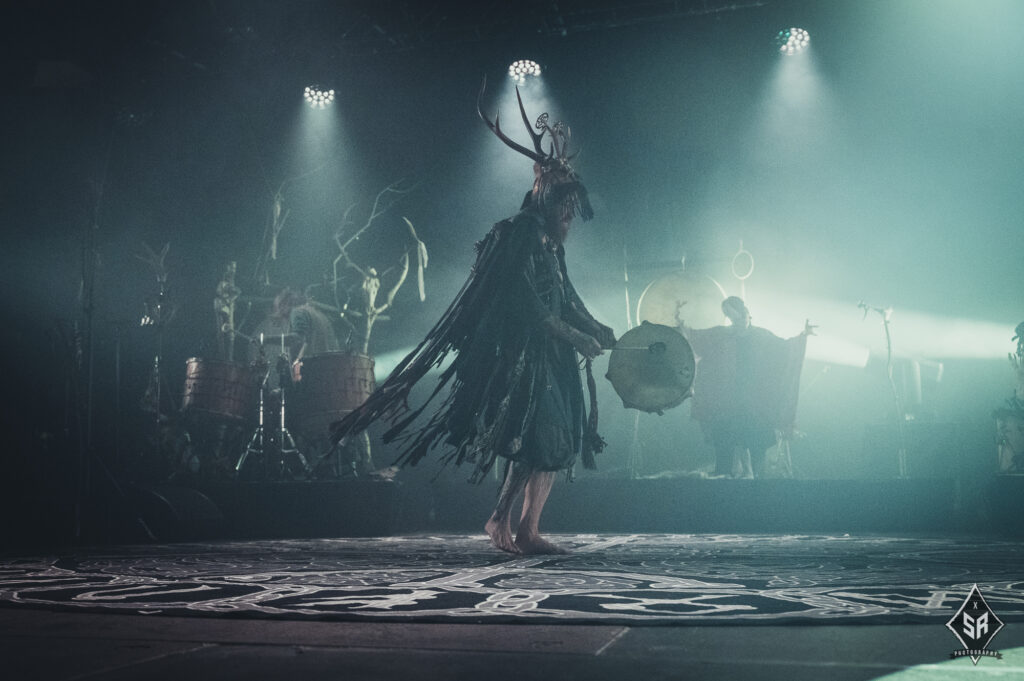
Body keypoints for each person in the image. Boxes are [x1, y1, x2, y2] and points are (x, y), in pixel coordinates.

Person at [330, 84, 615, 554]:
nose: (568, 220)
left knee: (557, 443)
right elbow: (526, 302)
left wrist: (594, 327)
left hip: (554, 356)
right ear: (547, 201)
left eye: (571, 212)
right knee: (533, 440)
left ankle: (527, 528)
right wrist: (571, 333)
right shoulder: (521, 234)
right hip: (525, 356)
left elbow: (565, 295)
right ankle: (502, 520)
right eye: (563, 210)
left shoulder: (550, 243)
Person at [678, 296, 813, 478]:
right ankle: (724, 482)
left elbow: (785, 350)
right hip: (727, 403)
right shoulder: (722, 335)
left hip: (755, 404)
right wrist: (680, 324)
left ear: (747, 314)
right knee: (724, 447)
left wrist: (802, 337)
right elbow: (697, 338)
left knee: (757, 448)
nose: (736, 322)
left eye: (738, 317)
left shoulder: (762, 337)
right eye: (731, 318)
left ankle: (757, 486)